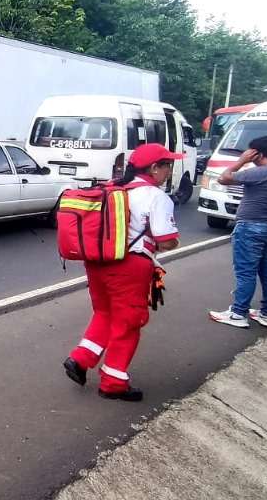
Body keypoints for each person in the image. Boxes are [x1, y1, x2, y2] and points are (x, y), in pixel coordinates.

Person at [63, 143, 182, 402]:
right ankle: (114, 382)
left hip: (98, 262)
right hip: (130, 266)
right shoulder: (156, 197)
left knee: (105, 312)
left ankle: (81, 360)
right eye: (167, 165)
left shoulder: (114, 188)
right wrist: (172, 243)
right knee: (129, 322)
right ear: (154, 168)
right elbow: (165, 239)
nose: (169, 171)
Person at [209, 136, 267, 330]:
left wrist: (241, 161)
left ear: (257, 153)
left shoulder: (260, 172)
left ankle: (238, 313)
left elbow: (224, 178)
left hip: (251, 227)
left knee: (246, 272)